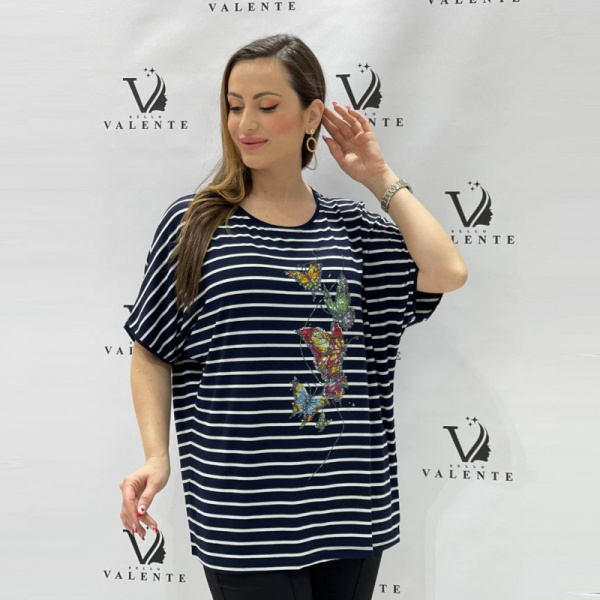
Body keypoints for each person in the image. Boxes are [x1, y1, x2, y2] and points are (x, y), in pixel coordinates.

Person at [119, 33, 467, 600]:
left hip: (349, 505)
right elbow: (151, 351)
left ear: (312, 116)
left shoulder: (352, 230)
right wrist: (157, 457)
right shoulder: (195, 226)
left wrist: (378, 176)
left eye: (267, 105)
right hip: (243, 511)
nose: (245, 123)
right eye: (234, 106)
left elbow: (447, 271)